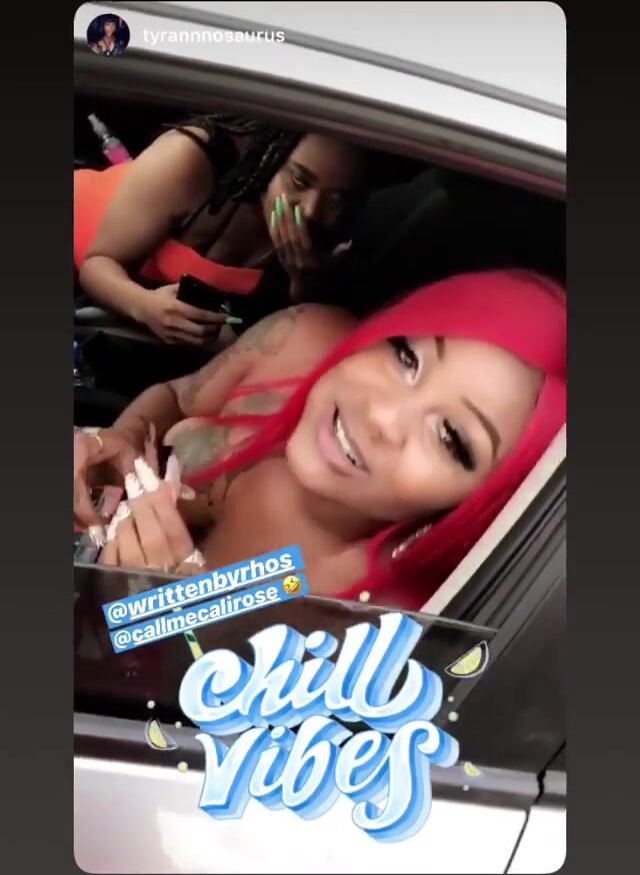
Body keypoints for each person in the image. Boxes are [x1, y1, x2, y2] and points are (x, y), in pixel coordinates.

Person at [74, 270, 566, 610]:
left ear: (477, 507)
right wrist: (119, 439)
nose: (381, 416)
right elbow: (177, 396)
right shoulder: (300, 339)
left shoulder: (360, 621)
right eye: (406, 356)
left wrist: (164, 617)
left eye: (451, 438)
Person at [75, 114, 371, 347]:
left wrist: (302, 282)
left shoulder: (330, 235)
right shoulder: (190, 158)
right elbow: (96, 263)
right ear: (271, 154)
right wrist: (145, 306)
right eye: (299, 181)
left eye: (337, 198)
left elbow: (276, 338)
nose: (310, 210)